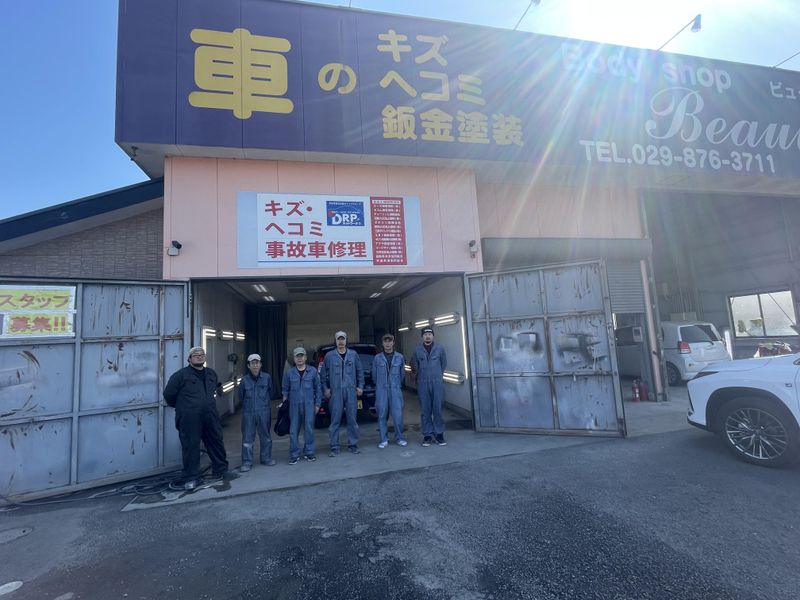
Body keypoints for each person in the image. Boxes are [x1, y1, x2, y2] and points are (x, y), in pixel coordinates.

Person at [163, 346, 229, 490]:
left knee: (216, 441)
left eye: (202, 354)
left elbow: (213, 391)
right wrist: (186, 408)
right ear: (189, 359)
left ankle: (221, 470)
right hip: (189, 418)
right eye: (196, 354)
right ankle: (191, 477)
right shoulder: (180, 376)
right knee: (191, 446)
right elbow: (169, 395)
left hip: (210, 415)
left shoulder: (211, 374)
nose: (199, 356)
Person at [320, 331, 364, 456]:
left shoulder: (353, 354)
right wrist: (326, 389)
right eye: (338, 339)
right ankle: (334, 447)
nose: (341, 341)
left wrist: (360, 387)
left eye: (343, 339)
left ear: (346, 340)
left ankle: (353, 445)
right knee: (335, 420)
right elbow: (322, 375)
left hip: (351, 391)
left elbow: (360, 372)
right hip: (336, 392)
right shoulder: (329, 356)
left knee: (352, 419)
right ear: (335, 341)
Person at [281, 347, 322, 464]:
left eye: (301, 356)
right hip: (293, 407)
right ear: (294, 359)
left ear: (305, 357)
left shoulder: (313, 371)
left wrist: (317, 405)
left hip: (309, 405)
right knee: (293, 431)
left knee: (309, 429)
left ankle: (309, 452)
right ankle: (294, 454)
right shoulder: (289, 373)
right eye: (297, 356)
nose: (299, 358)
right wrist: (285, 407)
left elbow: (318, 389)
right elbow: (285, 391)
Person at [237, 353, 276, 472]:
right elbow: (241, 396)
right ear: (248, 366)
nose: (255, 365)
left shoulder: (267, 378)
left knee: (266, 437)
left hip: (264, 411)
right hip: (248, 413)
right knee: (247, 438)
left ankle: (266, 458)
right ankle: (247, 462)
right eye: (252, 363)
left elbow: (271, 392)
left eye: (257, 363)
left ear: (261, 364)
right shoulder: (244, 381)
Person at [411, 327, 448, 447]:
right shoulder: (417, 350)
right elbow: (415, 366)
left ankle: (439, 434)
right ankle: (427, 435)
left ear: (433, 336)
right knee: (425, 410)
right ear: (422, 336)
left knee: (438, 408)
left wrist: (436, 375)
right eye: (425, 334)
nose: (427, 336)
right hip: (423, 382)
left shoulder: (440, 349)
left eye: (429, 334)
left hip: (437, 382)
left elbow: (443, 364)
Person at [372, 333, 408, 448]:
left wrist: (395, 385)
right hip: (381, 390)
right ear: (382, 343)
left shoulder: (400, 357)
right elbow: (374, 376)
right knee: (382, 414)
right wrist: (381, 385)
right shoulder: (377, 358)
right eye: (385, 341)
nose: (388, 343)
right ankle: (383, 439)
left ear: (393, 343)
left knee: (398, 415)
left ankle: (400, 438)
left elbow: (402, 375)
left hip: (395, 389)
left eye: (390, 341)